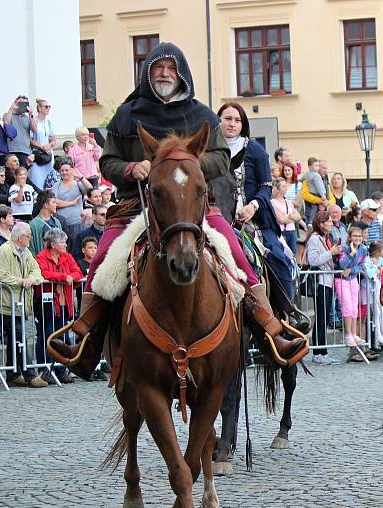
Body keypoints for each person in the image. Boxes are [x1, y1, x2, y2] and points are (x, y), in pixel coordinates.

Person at [49, 43, 306, 379]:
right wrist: (131, 169)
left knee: (237, 255)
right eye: (158, 69)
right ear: (147, 73)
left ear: (181, 73)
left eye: (171, 69)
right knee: (104, 260)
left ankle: (271, 331)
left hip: (193, 205)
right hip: (135, 205)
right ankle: (84, 341)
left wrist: (186, 164)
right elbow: (107, 162)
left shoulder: (202, 116)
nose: (165, 74)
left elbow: (221, 158)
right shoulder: (127, 115)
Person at [232, 102, 299, 300]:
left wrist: (253, 206)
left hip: (255, 218)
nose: (232, 124)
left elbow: (266, 186)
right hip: (220, 217)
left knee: (279, 259)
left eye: (237, 120)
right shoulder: (211, 151)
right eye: (227, 119)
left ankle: (288, 312)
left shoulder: (255, 150)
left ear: (243, 124)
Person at [0, 222, 47, 387]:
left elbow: (37, 271)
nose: (30, 238)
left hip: (20, 303)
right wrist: (21, 281)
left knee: (15, 339)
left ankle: (13, 374)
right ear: (21, 237)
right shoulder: (5, 251)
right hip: (5, 304)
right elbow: (0, 274)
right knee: (19, 336)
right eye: (29, 236)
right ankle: (30, 374)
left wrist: (32, 279)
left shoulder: (27, 252)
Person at [34, 228, 83, 384]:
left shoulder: (67, 257)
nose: (65, 245)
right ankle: (45, 369)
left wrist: (69, 277)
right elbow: (44, 273)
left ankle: (60, 370)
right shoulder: (41, 257)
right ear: (53, 244)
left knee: (62, 336)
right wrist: (64, 277)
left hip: (64, 302)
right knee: (46, 335)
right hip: (47, 303)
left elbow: (78, 273)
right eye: (62, 242)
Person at [305, 211, 340, 365]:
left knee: (324, 317)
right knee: (320, 317)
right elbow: (313, 260)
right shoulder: (314, 239)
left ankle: (323, 351)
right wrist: (331, 253)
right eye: (329, 221)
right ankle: (318, 352)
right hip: (320, 281)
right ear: (321, 224)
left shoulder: (326, 238)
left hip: (328, 280)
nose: (332, 223)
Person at [335, 225, 368, 348]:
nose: (357, 238)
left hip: (353, 278)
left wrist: (352, 269)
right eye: (354, 236)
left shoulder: (364, 249)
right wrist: (352, 253)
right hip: (341, 280)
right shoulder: (345, 248)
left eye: (359, 236)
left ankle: (354, 333)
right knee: (347, 306)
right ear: (350, 237)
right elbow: (342, 263)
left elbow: (362, 264)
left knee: (354, 307)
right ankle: (348, 334)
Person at [51, 158, 92, 247]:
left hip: (77, 223)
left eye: (67, 170)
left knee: (77, 248)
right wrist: (71, 203)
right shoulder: (56, 185)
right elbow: (54, 202)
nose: (64, 172)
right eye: (62, 170)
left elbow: (90, 190)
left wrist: (80, 177)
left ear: (72, 170)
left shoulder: (78, 184)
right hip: (61, 223)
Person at [363, 240, 383, 353]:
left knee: (381, 313)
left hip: (378, 288)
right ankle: (376, 336)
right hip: (369, 290)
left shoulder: (381, 260)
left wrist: (379, 270)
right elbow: (370, 274)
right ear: (378, 251)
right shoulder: (367, 260)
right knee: (375, 314)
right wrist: (375, 268)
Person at [28, 98, 56, 191]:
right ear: (39, 108)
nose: (48, 108)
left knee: (49, 178)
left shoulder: (49, 122)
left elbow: (53, 139)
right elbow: (30, 140)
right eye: (46, 106)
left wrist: (50, 145)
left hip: (47, 153)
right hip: (37, 153)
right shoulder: (33, 122)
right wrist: (42, 147)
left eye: (49, 107)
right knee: (37, 179)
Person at [271, 177, 302, 255]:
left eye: (286, 186)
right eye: (283, 186)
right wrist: (292, 217)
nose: (286, 188)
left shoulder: (288, 202)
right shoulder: (273, 202)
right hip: (281, 231)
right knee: (283, 253)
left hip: (292, 231)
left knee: (293, 254)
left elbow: (298, 217)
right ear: (277, 189)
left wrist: (287, 217)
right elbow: (281, 220)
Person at [3, 96, 36, 168]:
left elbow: (35, 129)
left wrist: (31, 114)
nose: (22, 106)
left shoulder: (28, 118)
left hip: (25, 151)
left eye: (25, 104)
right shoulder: (9, 115)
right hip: (12, 151)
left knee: (22, 173)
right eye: (20, 103)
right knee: (12, 174)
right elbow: (6, 123)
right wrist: (12, 108)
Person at [29, 190, 62, 256]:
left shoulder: (57, 222)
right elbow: (31, 248)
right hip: (42, 262)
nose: (56, 204)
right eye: (53, 202)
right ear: (46, 205)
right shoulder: (34, 224)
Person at [301, 157, 327, 223]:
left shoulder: (325, 180)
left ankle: (311, 221)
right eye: (323, 168)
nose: (317, 168)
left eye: (318, 166)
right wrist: (321, 198)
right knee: (314, 208)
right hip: (316, 196)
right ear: (310, 166)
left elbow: (330, 196)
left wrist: (327, 203)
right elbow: (306, 195)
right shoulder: (316, 176)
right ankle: (311, 221)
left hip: (322, 209)